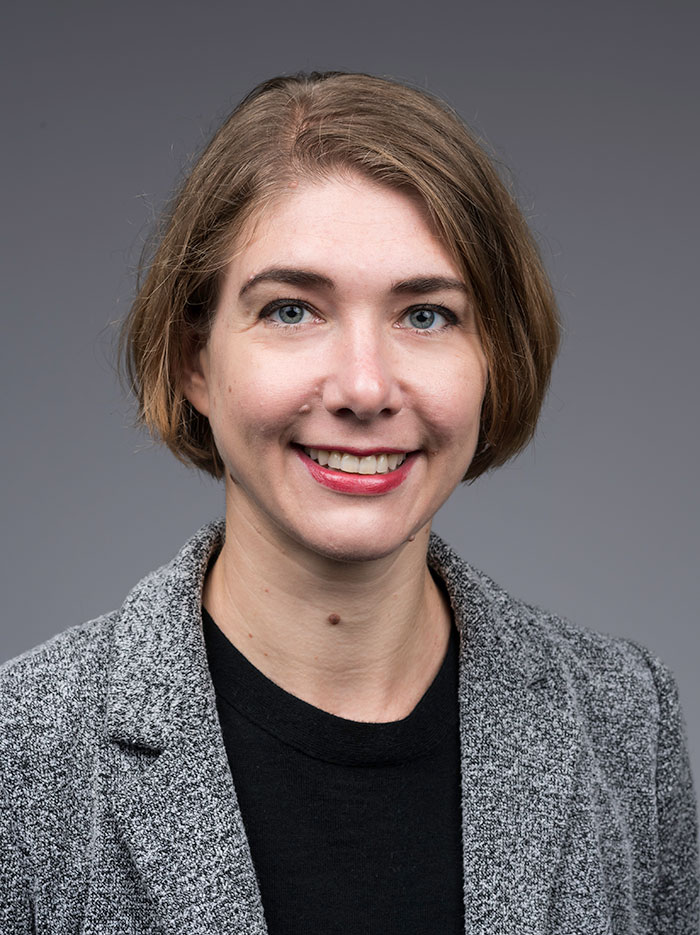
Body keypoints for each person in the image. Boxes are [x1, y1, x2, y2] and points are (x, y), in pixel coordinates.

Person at [1, 71, 697, 934]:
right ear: (194, 361)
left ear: (497, 360)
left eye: (427, 315)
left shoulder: (622, 717)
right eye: (292, 310)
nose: (366, 388)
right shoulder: (22, 754)